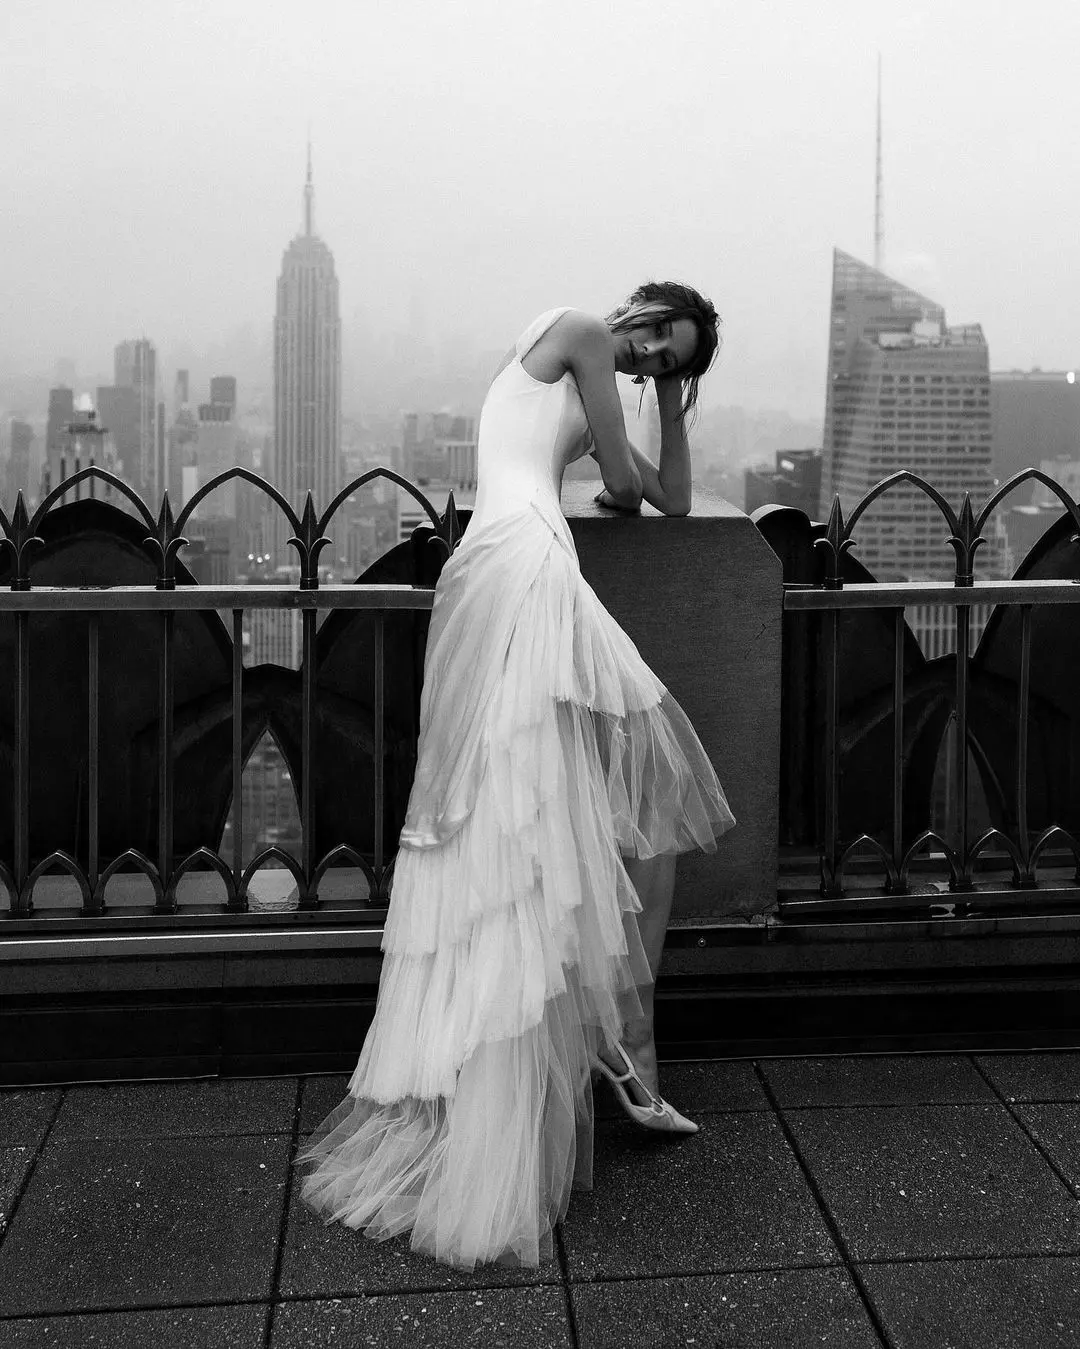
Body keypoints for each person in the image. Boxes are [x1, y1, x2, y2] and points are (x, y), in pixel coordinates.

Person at [297, 282, 736, 1270]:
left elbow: (666, 496)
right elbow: (628, 490)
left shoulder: (603, 372)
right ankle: (618, 1039)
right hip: (526, 564)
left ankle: (613, 1036)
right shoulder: (578, 327)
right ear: (638, 302)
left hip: (512, 566)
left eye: (675, 361)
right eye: (662, 335)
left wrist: (668, 400)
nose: (656, 358)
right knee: (605, 787)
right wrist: (638, 415)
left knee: (546, 811)